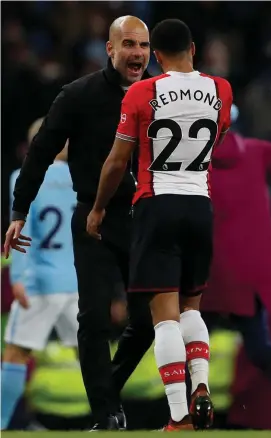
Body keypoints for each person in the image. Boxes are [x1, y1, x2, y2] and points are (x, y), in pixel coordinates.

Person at [4, 16, 150, 431]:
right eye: (128, 44)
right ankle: (107, 414)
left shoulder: (159, 94)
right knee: (93, 320)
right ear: (110, 49)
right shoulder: (78, 95)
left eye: (143, 45)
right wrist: (18, 211)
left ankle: (108, 393)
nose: (137, 53)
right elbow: (40, 151)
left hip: (143, 219)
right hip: (92, 220)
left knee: (147, 320)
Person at [87, 18, 232, 431]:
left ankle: (179, 415)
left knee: (164, 317)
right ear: (194, 49)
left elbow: (117, 161)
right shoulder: (221, 89)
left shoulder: (142, 91)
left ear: (156, 55)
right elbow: (215, 140)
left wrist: (98, 208)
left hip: (157, 202)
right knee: (192, 307)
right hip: (200, 205)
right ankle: (201, 385)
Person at [1, 118, 78, 430]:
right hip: (79, 282)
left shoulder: (23, 176)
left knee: (16, 354)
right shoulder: (88, 178)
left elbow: (20, 231)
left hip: (39, 282)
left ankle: (3, 423)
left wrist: (17, 277)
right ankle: (112, 418)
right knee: (92, 358)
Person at [201, 115, 271, 378]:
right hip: (252, 270)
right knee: (259, 349)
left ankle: (184, 414)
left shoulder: (192, 165)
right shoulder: (257, 151)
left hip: (210, 270)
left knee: (192, 350)